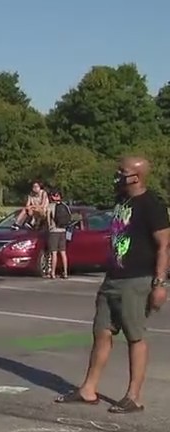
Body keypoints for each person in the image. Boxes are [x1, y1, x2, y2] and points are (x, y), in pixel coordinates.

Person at [56, 156, 170, 414]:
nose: (117, 174)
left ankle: (134, 396)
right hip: (113, 278)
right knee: (102, 332)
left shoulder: (152, 205)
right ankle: (88, 389)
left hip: (136, 280)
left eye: (123, 171)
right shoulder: (122, 201)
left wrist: (160, 283)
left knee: (135, 336)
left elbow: (165, 245)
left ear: (137, 176)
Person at [45, 190, 70, 279]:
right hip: (63, 231)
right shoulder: (65, 206)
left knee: (54, 253)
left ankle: (53, 273)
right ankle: (66, 273)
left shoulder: (50, 206)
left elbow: (48, 219)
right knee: (63, 253)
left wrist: (49, 227)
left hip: (54, 231)